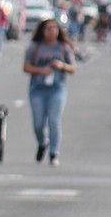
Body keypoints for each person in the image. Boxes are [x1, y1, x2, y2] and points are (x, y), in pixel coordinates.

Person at [23, 18, 77, 166]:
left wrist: (62, 66)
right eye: (48, 28)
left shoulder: (63, 47)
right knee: (38, 123)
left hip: (57, 87)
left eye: (54, 28)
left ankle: (54, 153)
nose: (51, 31)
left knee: (54, 120)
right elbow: (26, 67)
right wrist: (41, 70)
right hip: (38, 88)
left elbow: (73, 68)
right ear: (42, 31)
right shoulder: (35, 47)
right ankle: (42, 143)